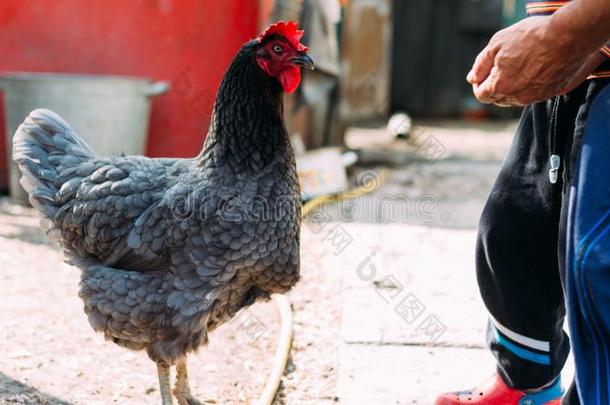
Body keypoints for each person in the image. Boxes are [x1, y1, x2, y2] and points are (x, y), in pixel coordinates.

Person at [435, 0, 610, 404]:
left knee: (594, 263)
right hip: (566, 53)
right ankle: (525, 380)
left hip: (588, 45)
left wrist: (574, 37)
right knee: (511, 230)